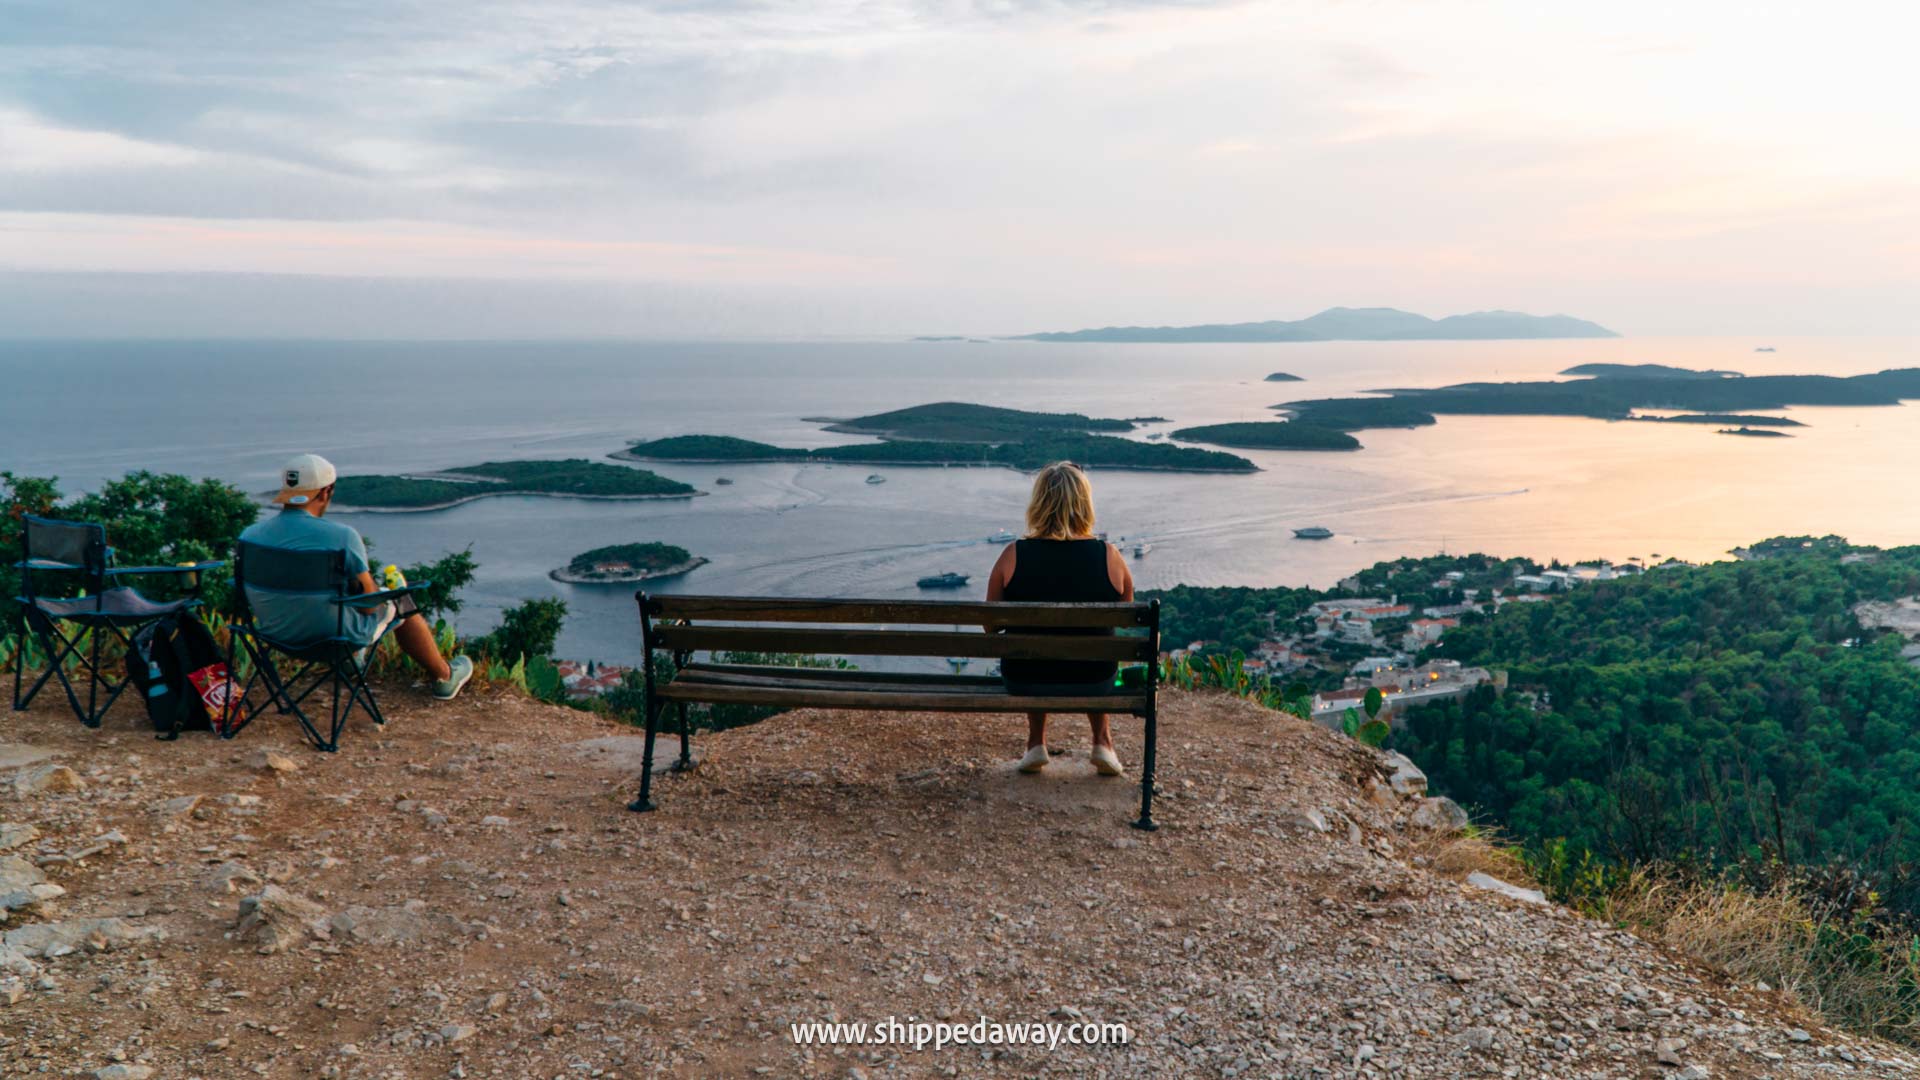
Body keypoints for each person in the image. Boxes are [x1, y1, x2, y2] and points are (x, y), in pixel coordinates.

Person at [239, 453, 473, 700]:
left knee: (329, 599)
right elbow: (369, 607)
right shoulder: (342, 537)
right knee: (399, 599)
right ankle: (444, 677)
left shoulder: (250, 536)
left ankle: (350, 665)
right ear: (326, 492)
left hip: (274, 636)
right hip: (331, 639)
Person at [985, 461, 1134, 776]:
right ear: (1084, 503)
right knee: (1098, 642)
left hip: (1025, 678)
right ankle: (1102, 743)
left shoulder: (1013, 554)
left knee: (1034, 649)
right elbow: (1127, 615)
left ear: (1039, 503)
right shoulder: (1109, 555)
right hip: (1094, 679)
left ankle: (1035, 743)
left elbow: (990, 623)